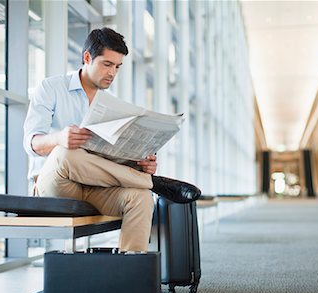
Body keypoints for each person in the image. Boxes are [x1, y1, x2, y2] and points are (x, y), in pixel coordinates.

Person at [23, 27, 200, 252]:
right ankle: (153, 183)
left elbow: (112, 154)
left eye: (117, 67)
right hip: (55, 184)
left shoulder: (110, 104)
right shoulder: (51, 88)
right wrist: (59, 137)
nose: (112, 73)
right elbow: (31, 144)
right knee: (65, 152)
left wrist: (140, 162)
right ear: (87, 58)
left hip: (96, 186)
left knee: (141, 198)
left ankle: (130, 275)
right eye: (107, 64)